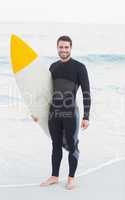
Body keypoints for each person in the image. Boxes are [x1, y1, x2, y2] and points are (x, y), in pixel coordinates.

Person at [38, 35, 91, 190]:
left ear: (71, 48)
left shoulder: (79, 67)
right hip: (54, 114)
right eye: (61, 47)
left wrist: (86, 116)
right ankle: (54, 176)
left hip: (70, 113)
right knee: (55, 145)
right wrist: (38, 113)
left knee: (72, 145)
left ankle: (71, 178)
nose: (63, 50)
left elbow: (86, 92)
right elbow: (46, 93)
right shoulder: (53, 67)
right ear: (57, 48)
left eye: (66, 47)